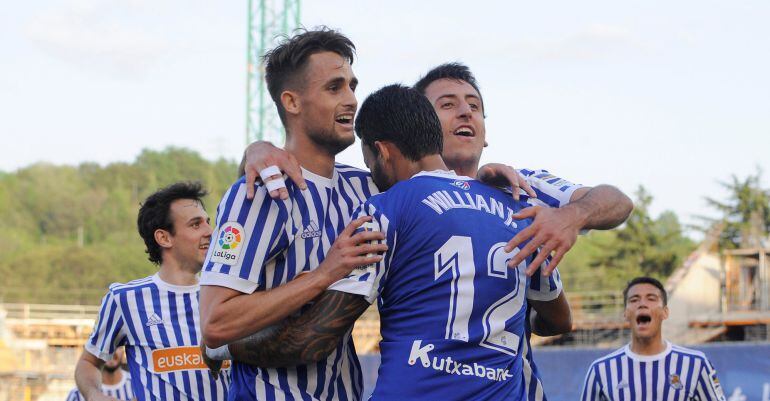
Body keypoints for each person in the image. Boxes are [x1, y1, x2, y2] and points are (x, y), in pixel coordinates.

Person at [240, 62, 633, 400]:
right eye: (448, 105)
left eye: (475, 106)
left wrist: (571, 217)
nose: (465, 113)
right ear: (425, 120)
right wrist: (257, 149)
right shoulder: (518, 208)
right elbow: (559, 320)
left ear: (383, 151)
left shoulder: (515, 188)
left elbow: (315, 337)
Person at [75, 182, 229, 401]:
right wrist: (93, 394)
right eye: (196, 225)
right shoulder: (125, 299)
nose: (210, 232)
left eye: (208, 222)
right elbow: (88, 362)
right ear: (164, 238)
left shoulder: (225, 295)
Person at [580, 277, 726, 401]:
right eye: (634, 299)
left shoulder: (696, 364)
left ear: (665, 312)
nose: (642, 304)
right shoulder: (601, 370)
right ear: (626, 313)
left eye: (651, 298)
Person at [66, 347, 133, 401]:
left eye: (118, 345)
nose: (112, 350)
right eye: (106, 345)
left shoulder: (138, 385)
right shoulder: (78, 394)